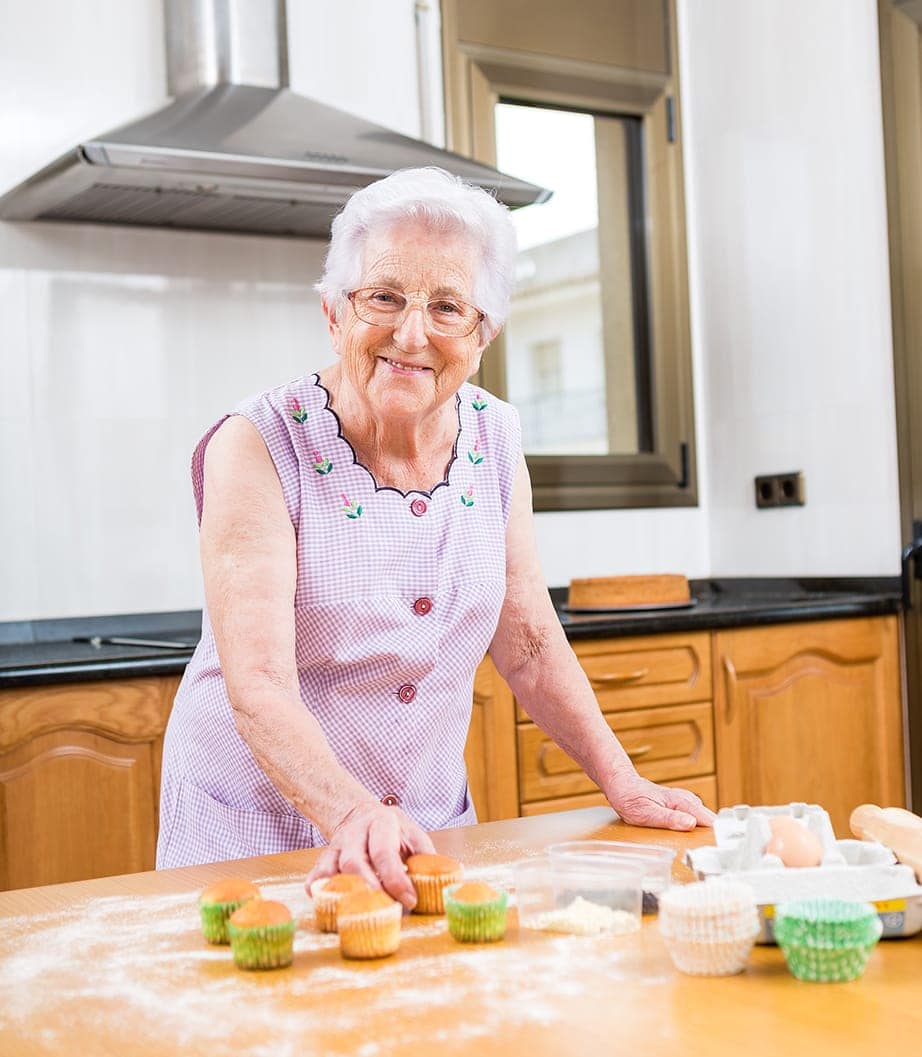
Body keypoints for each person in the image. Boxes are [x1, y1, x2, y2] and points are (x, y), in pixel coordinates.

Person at [156, 166, 713, 908]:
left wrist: (624, 780)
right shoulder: (255, 444)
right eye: (383, 297)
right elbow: (257, 684)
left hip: (425, 834)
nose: (410, 333)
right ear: (333, 313)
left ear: (483, 333)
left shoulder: (496, 435)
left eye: (448, 306)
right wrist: (353, 813)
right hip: (261, 838)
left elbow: (530, 643)